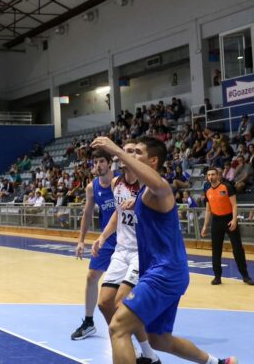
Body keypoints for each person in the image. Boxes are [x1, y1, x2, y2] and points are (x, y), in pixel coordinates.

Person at [91, 136, 238, 364]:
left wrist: (116, 150)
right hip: (167, 272)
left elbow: (157, 185)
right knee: (159, 339)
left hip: (164, 272)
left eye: (137, 153)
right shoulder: (142, 193)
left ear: (153, 161)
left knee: (118, 327)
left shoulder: (161, 188)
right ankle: (217, 363)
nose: (131, 156)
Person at [91, 141, 160, 364]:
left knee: (123, 304)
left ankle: (137, 348)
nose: (126, 155)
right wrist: (102, 237)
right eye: (125, 151)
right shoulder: (115, 183)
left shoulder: (147, 185)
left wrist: (140, 203)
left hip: (142, 251)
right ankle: (143, 352)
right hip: (121, 250)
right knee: (104, 303)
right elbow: (118, 215)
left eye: (132, 152)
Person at [71, 149, 117, 340]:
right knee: (91, 277)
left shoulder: (118, 183)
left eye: (101, 162)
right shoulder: (92, 187)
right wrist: (81, 240)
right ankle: (89, 322)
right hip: (106, 239)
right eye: (94, 162)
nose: (97, 165)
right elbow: (88, 214)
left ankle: (140, 322)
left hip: (128, 239)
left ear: (109, 163)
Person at [201, 168, 254, 286]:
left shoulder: (227, 187)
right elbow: (208, 210)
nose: (211, 177)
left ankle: (245, 276)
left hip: (229, 219)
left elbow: (234, 204)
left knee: (237, 249)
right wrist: (205, 226)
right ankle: (217, 277)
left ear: (218, 176)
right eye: (209, 175)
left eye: (213, 174)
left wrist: (234, 219)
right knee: (216, 250)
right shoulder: (206, 189)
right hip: (216, 221)